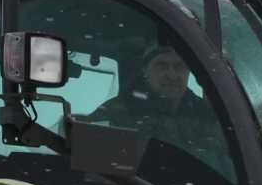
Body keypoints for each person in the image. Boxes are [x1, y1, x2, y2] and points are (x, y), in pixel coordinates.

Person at [89, 47, 225, 158]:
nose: (172, 75)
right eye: (162, 65)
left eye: (179, 66)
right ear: (145, 71)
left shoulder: (209, 116)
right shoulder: (116, 113)